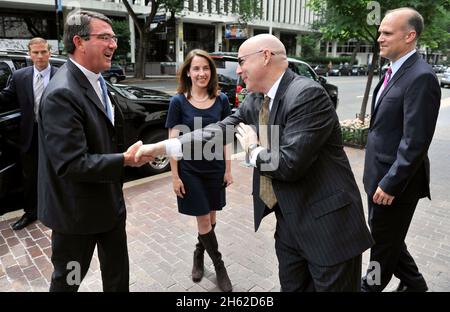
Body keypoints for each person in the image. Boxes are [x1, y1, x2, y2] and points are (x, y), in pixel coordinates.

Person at [135, 34, 374, 292]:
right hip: (290, 223)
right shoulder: (256, 99)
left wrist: (253, 150)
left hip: (328, 228)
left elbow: (289, 165)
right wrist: (160, 147)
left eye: (241, 61)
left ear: (265, 56)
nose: (237, 69)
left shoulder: (307, 95)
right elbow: (218, 130)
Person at [37, 10, 146, 292]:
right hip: (77, 217)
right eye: (105, 37)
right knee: (69, 281)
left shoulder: (97, 80)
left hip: (110, 206)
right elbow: (72, 164)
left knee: (117, 277)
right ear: (79, 41)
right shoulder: (63, 92)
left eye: (114, 38)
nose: (114, 44)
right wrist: (124, 160)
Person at [361, 8, 441, 292]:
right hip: (378, 176)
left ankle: (369, 287)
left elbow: (416, 141)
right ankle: (415, 285)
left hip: (395, 185)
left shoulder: (421, 77)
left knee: (382, 245)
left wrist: (391, 183)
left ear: (410, 36)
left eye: (386, 33)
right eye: (380, 31)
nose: (379, 38)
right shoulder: (393, 70)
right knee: (388, 238)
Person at [166, 49, 233, 292]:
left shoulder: (222, 100)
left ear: (211, 72)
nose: (201, 73)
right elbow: (173, 140)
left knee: (212, 218)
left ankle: (198, 254)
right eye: (196, 68)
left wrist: (228, 169)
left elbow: (226, 138)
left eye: (205, 68)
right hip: (190, 170)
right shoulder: (178, 101)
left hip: (214, 169)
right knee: (203, 217)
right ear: (188, 72)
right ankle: (220, 266)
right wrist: (175, 176)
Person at [0, 37, 58, 231]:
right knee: (30, 176)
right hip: (30, 134)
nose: (40, 56)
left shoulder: (61, 75)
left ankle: (59, 208)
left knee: (58, 172)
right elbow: (6, 97)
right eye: (35, 52)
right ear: (29, 54)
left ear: (50, 52)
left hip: (57, 134)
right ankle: (31, 212)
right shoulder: (19, 76)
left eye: (43, 52)